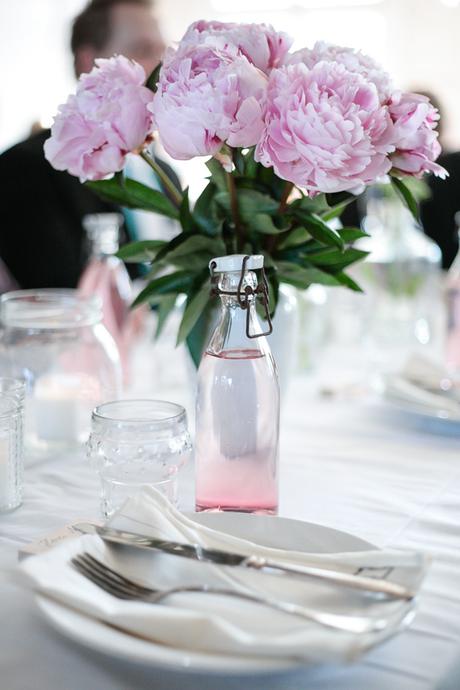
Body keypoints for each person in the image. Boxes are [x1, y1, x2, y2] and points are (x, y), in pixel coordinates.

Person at [0, 0, 177, 289]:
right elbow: (54, 295)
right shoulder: (23, 169)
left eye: (163, 52)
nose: (163, 67)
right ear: (90, 64)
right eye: (143, 50)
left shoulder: (166, 174)